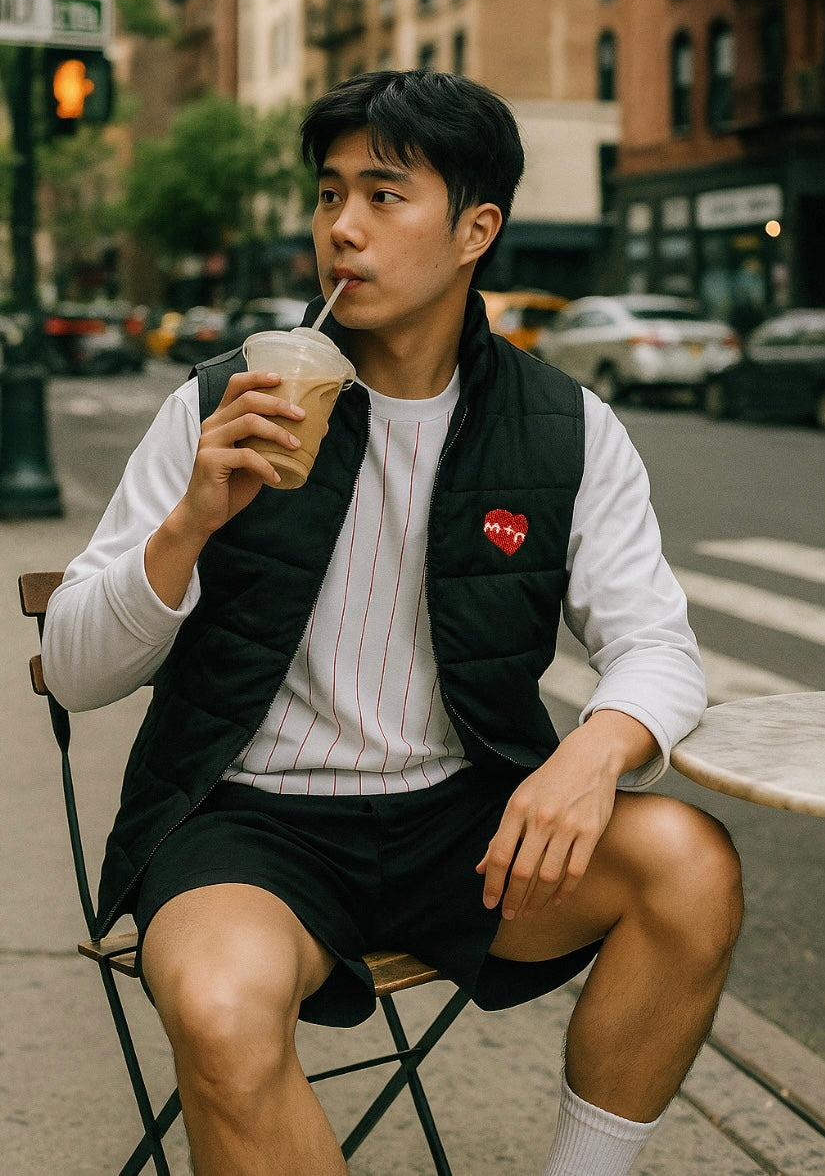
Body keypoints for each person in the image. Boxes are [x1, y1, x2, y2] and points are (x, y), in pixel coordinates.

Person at [42, 70, 743, 1176]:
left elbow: (656, 643)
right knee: (221, 1018)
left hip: (464, 822)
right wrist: (187, 524)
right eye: (328, 197)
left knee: (689, 861)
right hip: (251, 828)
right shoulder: (220, 405)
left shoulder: (565, 431)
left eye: (382, 196)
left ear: (476, 229)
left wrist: (594, 756)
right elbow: (74, 671)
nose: (342, 231)